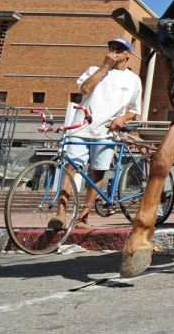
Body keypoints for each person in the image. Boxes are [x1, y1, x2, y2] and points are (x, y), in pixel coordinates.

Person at [50, 37, 142, 229]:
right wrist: (105, 67)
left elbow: (134, 110)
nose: (114, 51)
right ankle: (60, 213)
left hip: (107, 132)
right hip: (81, 127)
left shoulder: (133, 80)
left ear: (128, 55)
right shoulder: (93, 70)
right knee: (71, 167)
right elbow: (84, 89)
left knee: (97, 172)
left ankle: (84, 216)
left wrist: (121, 119)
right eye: (112, 47)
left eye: (119, 48)